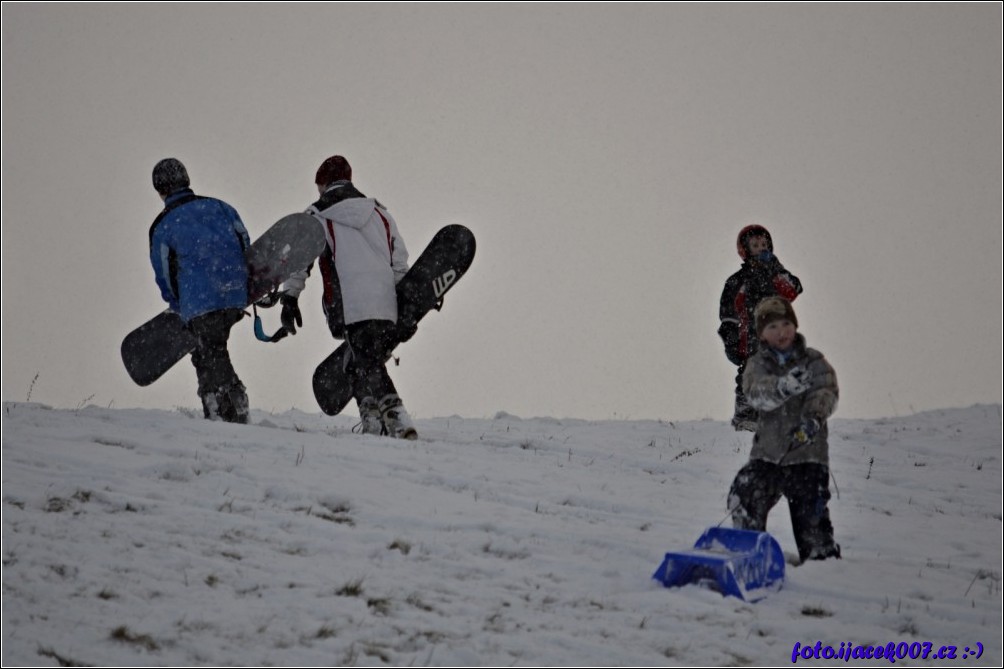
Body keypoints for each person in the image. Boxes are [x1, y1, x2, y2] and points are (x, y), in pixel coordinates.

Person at [279, 155, 417, 439]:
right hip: (385, 301)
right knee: (361, 358)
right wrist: (407, 302)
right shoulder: (380, 213)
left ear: (322, 184)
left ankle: (398, 418)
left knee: (368, 361)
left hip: (349, 302)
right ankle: (371, 417)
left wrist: (290, 298)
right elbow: (399, 260)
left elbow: (299, 261)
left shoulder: (316, 215)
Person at [727, 296, 840, 563]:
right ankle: (749, 553)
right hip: (768, 456)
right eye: (772, 327)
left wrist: (813, 418)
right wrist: (782, 387)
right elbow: (755, 393)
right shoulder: (757, 365)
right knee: (745, 494)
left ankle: (821, 564)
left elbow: (825, 390)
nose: (781, 332)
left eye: (786, 323)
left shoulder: (813, 361)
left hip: (807, 457)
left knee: (811, 520)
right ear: (762, 335)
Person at [149, 158, 251, 424]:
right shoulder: (221, 207)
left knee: (211, 349)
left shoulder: (163, 226)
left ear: (160, 189)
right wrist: (240, 281)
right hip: (235, 293)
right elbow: (244, 241)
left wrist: (178, 304)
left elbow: (164, 275)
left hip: (200, 301)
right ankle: (213, 403)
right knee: (207, 349)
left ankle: (231, 391)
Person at [718, 224, 803, 431]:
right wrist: (731, 339)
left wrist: (775, 268)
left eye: (764, 244)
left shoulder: (776, 275)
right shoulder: (738, 281)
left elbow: (793, 289)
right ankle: (745, 415)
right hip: (749, 338)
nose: (761, 248)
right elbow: (728, 315)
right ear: (745, 250)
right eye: (755, 245)